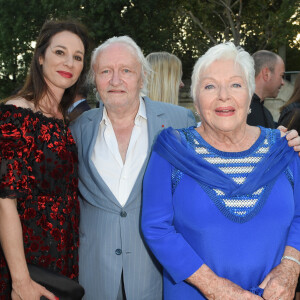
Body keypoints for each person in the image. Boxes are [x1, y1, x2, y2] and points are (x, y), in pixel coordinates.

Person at [142, 42, 300, 300]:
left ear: (250, 94)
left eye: (235, 84)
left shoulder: (283, 149)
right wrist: (216, 289)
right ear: (195, 98)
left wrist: (291, 267)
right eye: (210, 86)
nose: (223, 95)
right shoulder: (172, 150)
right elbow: (156, 227)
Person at [69, 36, 196, 300]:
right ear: (94, 79)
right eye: (106, 71)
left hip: (156, 272)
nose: (115, 80)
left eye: (126, 70)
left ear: (142, 77)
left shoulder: (179, 121)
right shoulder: (79, 128)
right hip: (94, 275)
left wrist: (277, 141)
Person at [0, 19, 89, 300]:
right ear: (40, 57)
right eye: (60, 52)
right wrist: (20, 280)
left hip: (62, 257)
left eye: (77, 57)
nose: (69, 63)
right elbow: (4, 202)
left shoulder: (64, 119)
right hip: (26, 263)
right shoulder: (17, 113)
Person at [247, 50, 285, 128]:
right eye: (281, 76)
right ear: (266, 74)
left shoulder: (266, 113)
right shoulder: (241, 112)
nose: (282, 82)